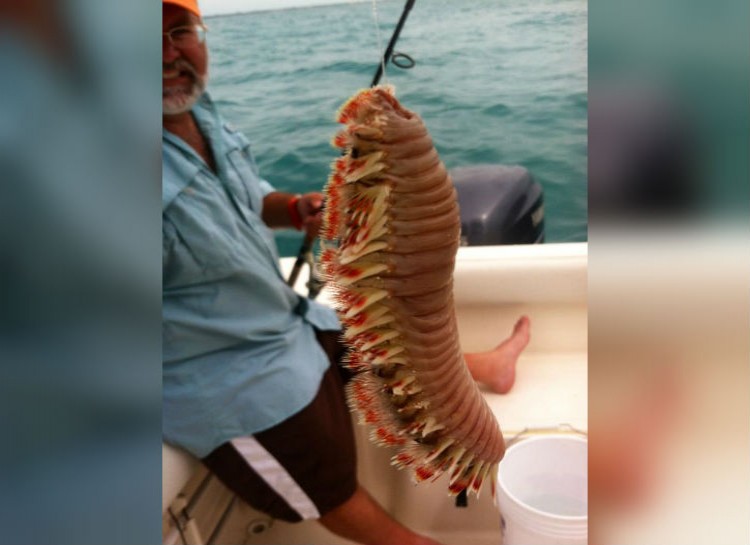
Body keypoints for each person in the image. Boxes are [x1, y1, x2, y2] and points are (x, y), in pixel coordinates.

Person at [162, 1, 530, 543]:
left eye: (180, 31)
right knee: (322, 464)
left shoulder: (204, 115)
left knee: (360, 335)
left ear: (202, 37)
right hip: (220, 368)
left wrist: (291, 208)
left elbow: (247, 198)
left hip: (279, 315)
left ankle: (485, 367)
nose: (168, 54)